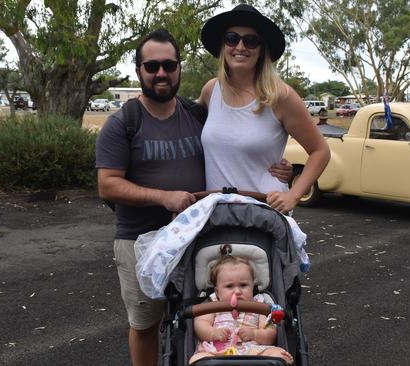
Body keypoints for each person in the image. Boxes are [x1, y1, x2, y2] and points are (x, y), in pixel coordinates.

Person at [95, 29, 291, 366]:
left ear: (179, 68)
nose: (161, 73)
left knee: (191, 317)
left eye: (168, 65)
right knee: (146, 324)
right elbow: (108, 185)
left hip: (197, 235)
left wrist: (276, 168)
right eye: (152, 65)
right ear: (139, 69)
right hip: (141, 238)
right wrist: (164, 197)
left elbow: (232, 139)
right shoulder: (121, 123)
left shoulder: (195, 113)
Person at [198, 4, 330, 215]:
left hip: (263, 215)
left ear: (261, 50)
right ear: (223, 46)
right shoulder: (211, 91)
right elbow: (182, 122)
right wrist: (147, 103)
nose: (240, 47)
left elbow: (320, 151)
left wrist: (293, 195)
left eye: (250, 41)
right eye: (232, 39)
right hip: (216, 216)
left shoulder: (280, 97)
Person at [189, 245, 294, 365]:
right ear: (217, 291)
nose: (237, 291)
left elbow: (270, 332)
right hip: (218, 352)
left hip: (253, 353)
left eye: (243, 285)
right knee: (196, 359)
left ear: (252, 286)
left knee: (278, 355)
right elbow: (200, 323)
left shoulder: (259, 303)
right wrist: (212, 333)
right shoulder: (213, 303)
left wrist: (254, 334)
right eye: (229, 286)